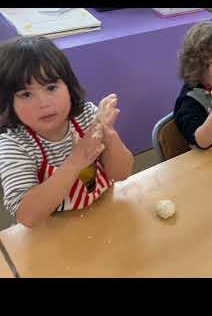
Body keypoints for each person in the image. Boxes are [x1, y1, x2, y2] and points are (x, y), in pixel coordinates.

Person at [0, 36, 134, 227]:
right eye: (26, 94)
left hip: (104, 213)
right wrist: (75, 162)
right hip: (51, 229)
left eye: (51, 87)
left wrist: (109, 134)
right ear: (8, 103)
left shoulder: (87, 115)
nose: (44, 103)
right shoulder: (14, 145)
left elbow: (121, 173)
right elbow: (27, 216)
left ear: (68, 86)